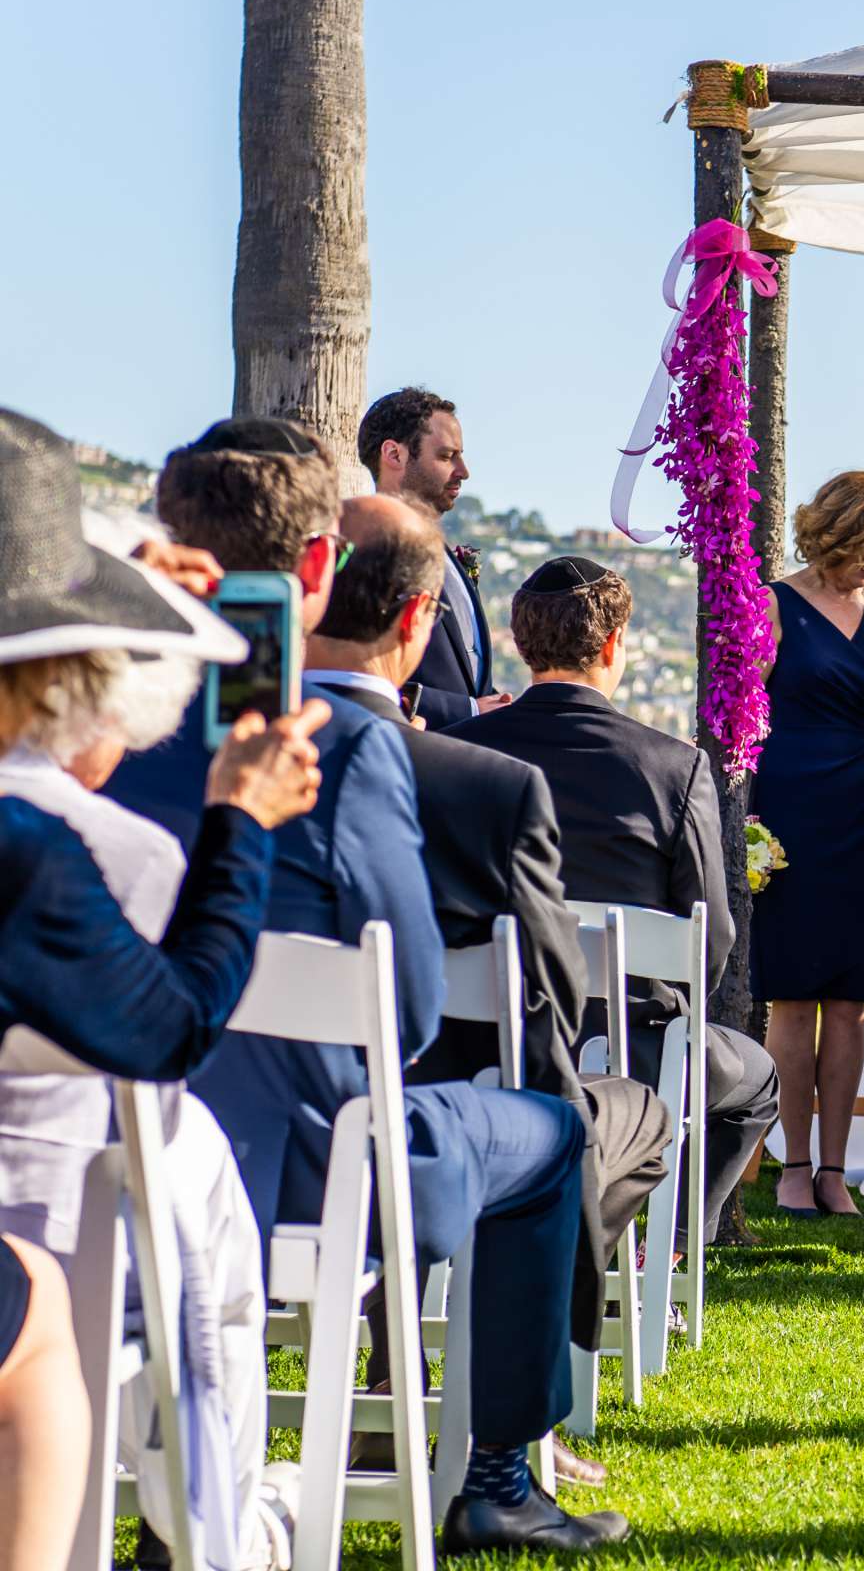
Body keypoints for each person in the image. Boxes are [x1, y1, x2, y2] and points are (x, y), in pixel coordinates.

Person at [108, 419, 624, 1552]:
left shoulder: (110, 729)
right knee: (548, 1130)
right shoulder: (337, 745)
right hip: (312, 1175)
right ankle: (494, 1472)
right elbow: (408, 1010)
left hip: (113, 1155)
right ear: (313, 570)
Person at [0, 407, 330, 1569]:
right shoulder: (52, 856)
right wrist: (241, 822)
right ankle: (220, 1528)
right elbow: (173, 1027)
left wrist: (130, 586)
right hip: (63, 1231)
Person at [301, 496, 672, 1485]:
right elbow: (543, 1010)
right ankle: (502, 1464)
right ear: (421, 622)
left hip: (220, 1148)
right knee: (556, 1131)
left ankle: (381, 1394)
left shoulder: (192, 757)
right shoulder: (484, 788)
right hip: (390, 1150)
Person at [448, 558, 780, 1255]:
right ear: (611, 645)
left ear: (520, 643)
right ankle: (662, 1250)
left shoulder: (454, 753)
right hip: (634, 1047)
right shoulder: (672, 767)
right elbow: (711, 940)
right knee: (755, 1080)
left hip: (480, 1041)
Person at [750, 472, 864, 1218]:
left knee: (852, 1000)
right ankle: (792, 1165)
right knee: (792, 1000)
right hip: (790, 811)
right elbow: (741, 711)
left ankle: (836, 1169)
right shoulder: (772, 604)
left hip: (863, 813)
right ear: (839, 530)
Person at [359, 387, 508, 726]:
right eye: (446, 456)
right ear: (394, 455)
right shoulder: (365, 550)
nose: (464, 470)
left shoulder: (445, 554)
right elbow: (358, 673)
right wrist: (468, 710)